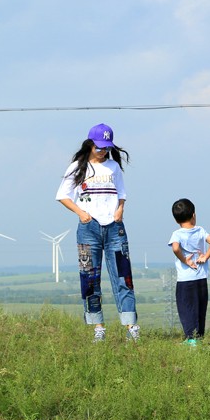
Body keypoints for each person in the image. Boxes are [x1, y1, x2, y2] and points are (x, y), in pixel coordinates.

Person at [55, 123, 140, 342]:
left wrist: (120, 209)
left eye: (106, 147)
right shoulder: (77, 167)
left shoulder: (113, 167)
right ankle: (98, 327)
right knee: (90, 278)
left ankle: (131, 326)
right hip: (88, 228)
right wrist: (81, 213)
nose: (102, 151)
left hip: (115, 228)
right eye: (99, 147)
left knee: (124, 277)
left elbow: (122, 193)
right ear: (90, 144)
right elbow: (62, 195)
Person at [168, 197, 210, 344]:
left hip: (185, 279)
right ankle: (199, 337)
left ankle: (191, 339)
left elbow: (176, 248)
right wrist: (205, 257)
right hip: (201, 278)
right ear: (194, 215)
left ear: (176, 220)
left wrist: (185, 260)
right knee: (200, 308)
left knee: (186, 308)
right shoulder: (201, 231)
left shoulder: (177, 234)